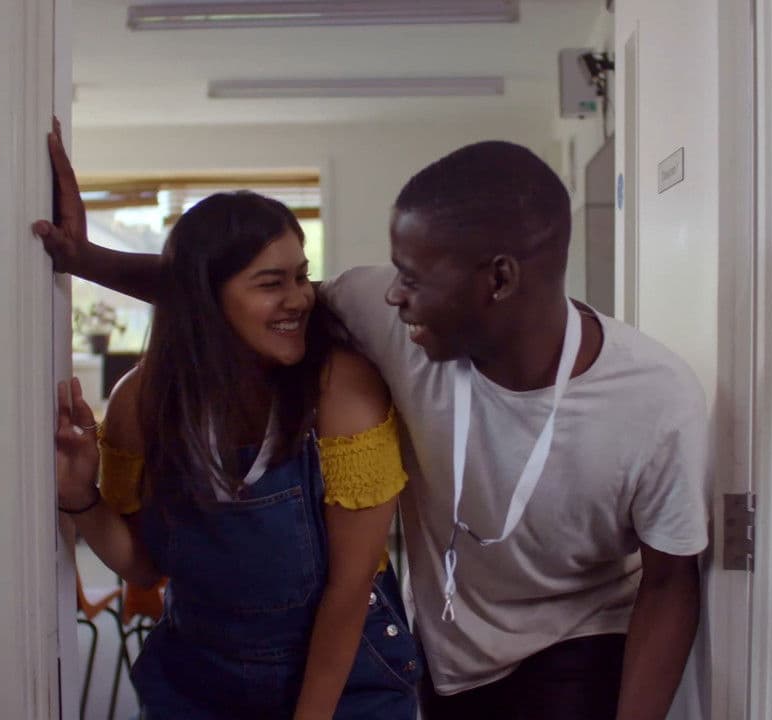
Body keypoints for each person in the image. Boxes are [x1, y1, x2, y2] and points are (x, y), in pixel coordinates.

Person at [39, 130, 707, 720]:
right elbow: (220, 296)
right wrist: (83, 259)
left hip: (576, 643)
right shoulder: (389, 319)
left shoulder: (653, 397)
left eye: (411, 277)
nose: (391, 292)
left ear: (499, 280)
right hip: (449, 651)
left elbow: (671, 581)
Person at [46, 122, 423, 718]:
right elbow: (144, 565)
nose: (299, 298)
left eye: (300, 275)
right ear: (205, 301)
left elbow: (348, 592)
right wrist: (80, 498)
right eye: (271, 284)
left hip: (345, 676)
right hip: (198, 676)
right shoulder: (140, 402)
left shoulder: (341, 392)